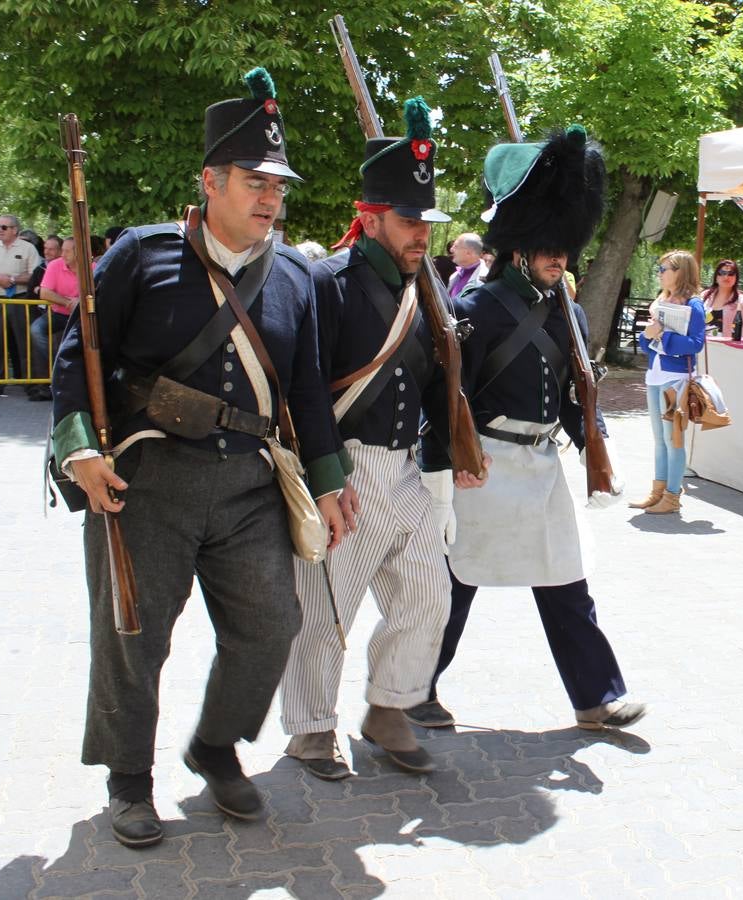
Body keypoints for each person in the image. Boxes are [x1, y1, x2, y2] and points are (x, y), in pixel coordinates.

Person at [50, 66, 351, 849]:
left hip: (251, 484)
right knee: (133, 636)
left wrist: (328, 482)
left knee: (272, 626)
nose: (271, 199)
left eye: (277, 187)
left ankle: (215, 747)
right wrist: (79, 448)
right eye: (255, 182)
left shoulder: (294, 275)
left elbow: (309, 389)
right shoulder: (142, 256)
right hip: (148, 481)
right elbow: (76, 357)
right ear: (211, 180)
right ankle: (129, 780)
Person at [409, 125, 645, 733]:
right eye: (548, 246)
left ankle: (597, 697)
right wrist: (441, 469)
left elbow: (571, 390)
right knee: (457, 585)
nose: (559, 256)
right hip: (482, 464)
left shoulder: (559, 308)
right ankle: (413, 690)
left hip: (541, 467)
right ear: (518, 248)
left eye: (563, 246)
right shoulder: (474, 310)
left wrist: (595, 438)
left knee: (566, 581)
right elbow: (444, 397)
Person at [280, 98, 486, 780]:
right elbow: (303, 389)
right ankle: (312, 728)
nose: (420, 234)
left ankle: (389, 707)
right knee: (326, 609)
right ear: (369, 217)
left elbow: (436, 382)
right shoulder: (327, 285)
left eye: (426, 221)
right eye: (407, 220)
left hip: (402, 469)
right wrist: (326, 478)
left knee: (431, 592)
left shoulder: (429, 291)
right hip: (345, 465)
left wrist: (458, 450)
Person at [631, 249, 705, 514]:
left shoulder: (693, 304)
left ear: (680, 272)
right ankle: (658, 491)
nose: (660, 274)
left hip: (675, 378)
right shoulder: (662, 299)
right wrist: (648, 336)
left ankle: (672, 497)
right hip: (655, 375)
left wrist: (663, 335)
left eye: (665, 270)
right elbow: (648, 340)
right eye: (660, 269)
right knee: (659, 438)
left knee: (673, 439)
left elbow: (696, 344)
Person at [0, 214, 39, 394]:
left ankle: (31, 383)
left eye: (4, 227)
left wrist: (12, 279)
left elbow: (34, 275)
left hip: (20, 299)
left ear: (14, 230)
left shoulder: (28, 248)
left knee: (24, 341)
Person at [28, 237, 80, 401]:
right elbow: (44, 293)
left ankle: (71, 374)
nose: (62, 254)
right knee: (36, 330)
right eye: (62, 250)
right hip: (58, 313)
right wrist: (68, 302)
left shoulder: (91, 268)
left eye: (67, 251)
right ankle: (59, 366)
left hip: (79, 316)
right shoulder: (55, 265)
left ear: (78, 252)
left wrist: (80, 302)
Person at [700, 258, 743, 332]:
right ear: (716, 277)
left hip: (728, 343)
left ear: (736, 278)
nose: (726, 277)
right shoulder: (704, 296)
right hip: (704, 342)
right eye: (722, 272)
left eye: (731, 273)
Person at [446, 231, 487, 299]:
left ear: (468, 252)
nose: (451, 249)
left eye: (455, 246)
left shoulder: (485, 280)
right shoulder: (455, 275)